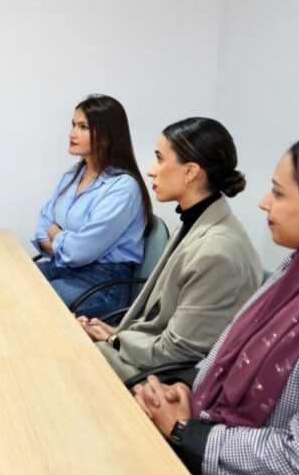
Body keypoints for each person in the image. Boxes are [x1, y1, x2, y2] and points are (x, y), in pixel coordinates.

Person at [133, 136, 299, 475]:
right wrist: (186, 392)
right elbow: (225, 355)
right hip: (220, 455)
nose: (264, 202)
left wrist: (185, 432)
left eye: (279, 194)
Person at [79, 117, 262, 381]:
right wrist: (116, 333)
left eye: (159, 159)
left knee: (74, 357)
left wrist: (114, 340)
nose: (151, 170)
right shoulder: (195, 221)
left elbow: (176, 352)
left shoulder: (217, 251)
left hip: (165, 377)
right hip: (149, 353)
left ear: (190, 172)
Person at [34, 94, 150, 317]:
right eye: (73, 125)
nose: (72, 133)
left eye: (83, 127)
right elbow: (44, 224)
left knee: (30, 303)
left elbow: (79, 252)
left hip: (100, 284)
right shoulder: (73, 175)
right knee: (7, 282)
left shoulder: (123, 188)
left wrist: (56, 236)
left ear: (106, 136)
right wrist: (63, 243)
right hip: (61, 267)